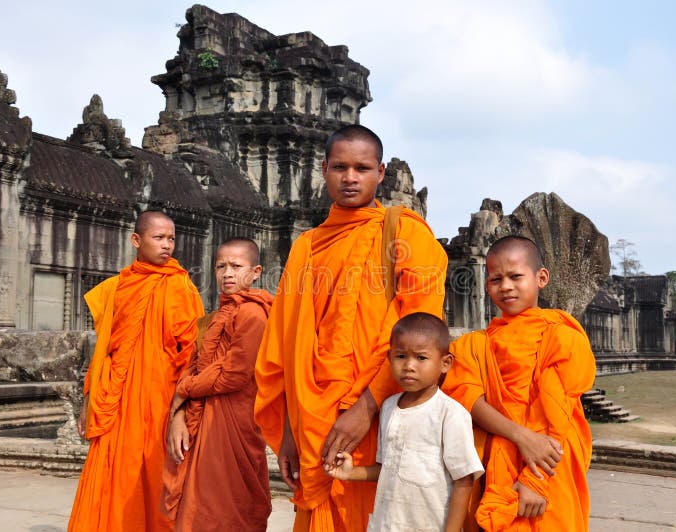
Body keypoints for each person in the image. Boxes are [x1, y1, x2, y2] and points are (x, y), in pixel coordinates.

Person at [254, 124, 448, 531]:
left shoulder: (405, 234)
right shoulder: (307, 246)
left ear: (380, 173)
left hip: (385, 413)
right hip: (312, 420)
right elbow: (286, 345)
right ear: (323, 169)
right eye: (340, 167)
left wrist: (364, 408)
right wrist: (289, 431)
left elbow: (422, 335)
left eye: (362, 168)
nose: (350, 178)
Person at [442, 235, 596, 531]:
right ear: (486, 286)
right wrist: (521, 437)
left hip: (550, 467)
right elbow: (467, 399)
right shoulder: (474, 346)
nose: (506, 286)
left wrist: (534, 479)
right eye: (495, 279)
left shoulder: (562, 336)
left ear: (541, 278)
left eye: (515, 276)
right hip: (495, 469)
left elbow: (556, 417)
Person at [68, 210, 204, 532]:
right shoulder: (117, 287)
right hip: (120, 400)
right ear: (136, 240)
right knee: (115, 475)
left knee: (158, 477)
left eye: (171, 238)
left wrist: (182, 412)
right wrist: (88, 399)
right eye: (159, 238)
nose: (167, 245)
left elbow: (193, 355)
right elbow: (103, 351)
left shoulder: (181, 286)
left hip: (161, 402)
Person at [325, 312, 484, 532]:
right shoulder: (389, 408)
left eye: (421, 358)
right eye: (401, 356)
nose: (409, 365)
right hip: (387, 525)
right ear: (389, 359)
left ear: (445, 363)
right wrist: (350, 473)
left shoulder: (450, 414)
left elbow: (464, 479)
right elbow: (388, 468)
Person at [161, 237, 273, 531]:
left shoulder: (254, 314)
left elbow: (233, 376)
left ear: (256, 271)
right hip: (205, 419)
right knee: (198, 506)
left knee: (227, 509)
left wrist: (183, 392)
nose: (228, 274)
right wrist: (179, 414)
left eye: (237, 266)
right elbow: (194, 365)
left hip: (235, 422)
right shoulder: (213, 318)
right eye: (220, 266)